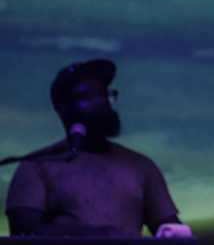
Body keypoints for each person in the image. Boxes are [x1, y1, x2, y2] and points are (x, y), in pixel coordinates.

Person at [5, 59, 193, 238]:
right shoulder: (36, 166)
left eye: (104, 94)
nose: (101, 101)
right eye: (87, 96)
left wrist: (178, 233)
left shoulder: (141, 166)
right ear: (62, 108)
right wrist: (97, 236)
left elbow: (170, 229)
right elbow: (24, 232)